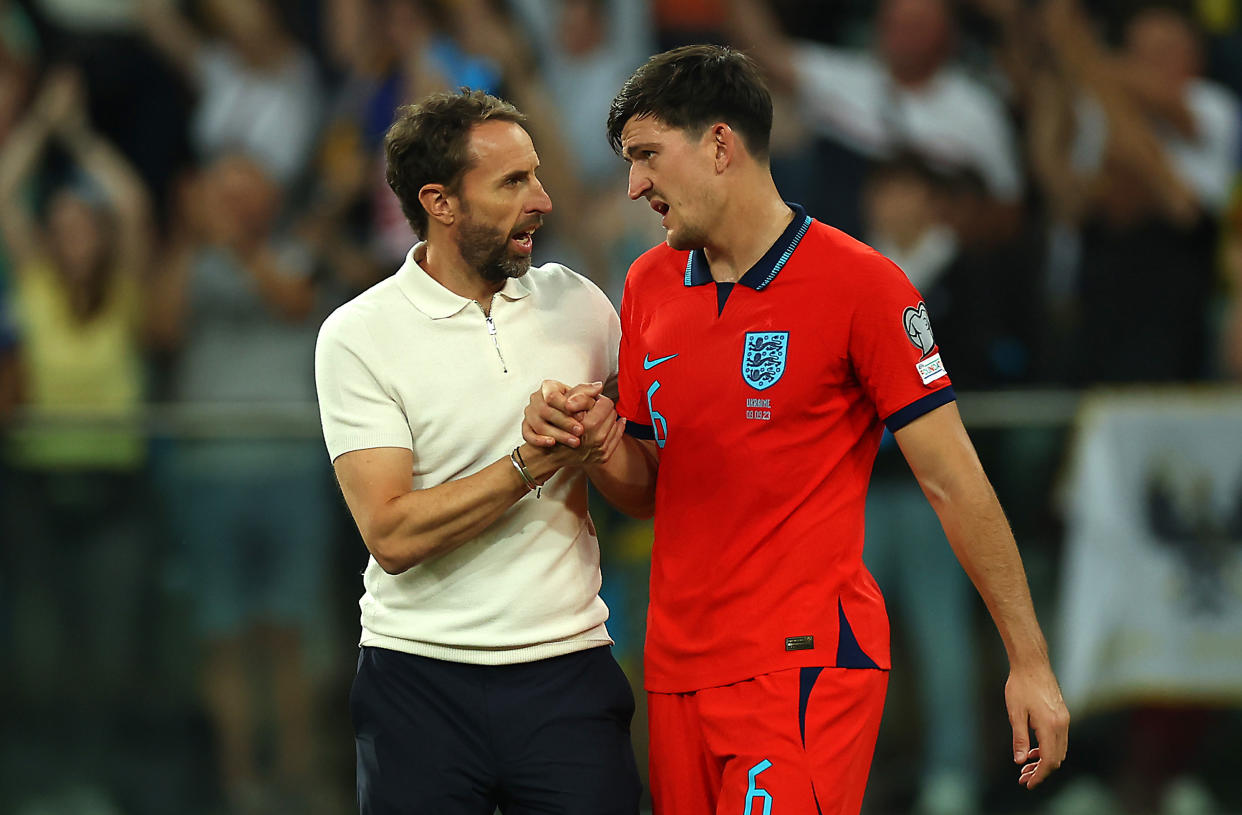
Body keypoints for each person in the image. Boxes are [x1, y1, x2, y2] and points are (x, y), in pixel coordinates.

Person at [522, 45, 1069, 815]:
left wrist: (1030, 660)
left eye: (647, 156)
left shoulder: (861, 284)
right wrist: (603, 442)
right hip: (676, 669)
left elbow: (953, 478)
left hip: (801, 666)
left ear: (719, 145)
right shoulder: (647, 285)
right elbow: (649, 490)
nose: (636, 185)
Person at [313, 89, 642, 814]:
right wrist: (530, 463)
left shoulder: (583, 304)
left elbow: (642, 491)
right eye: (513, 182)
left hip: (570, 669)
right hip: (416, 680)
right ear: (441, 202)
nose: (543, 201)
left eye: (537, 174)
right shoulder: (358, 334)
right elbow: (392, 534)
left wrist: (593, 444)